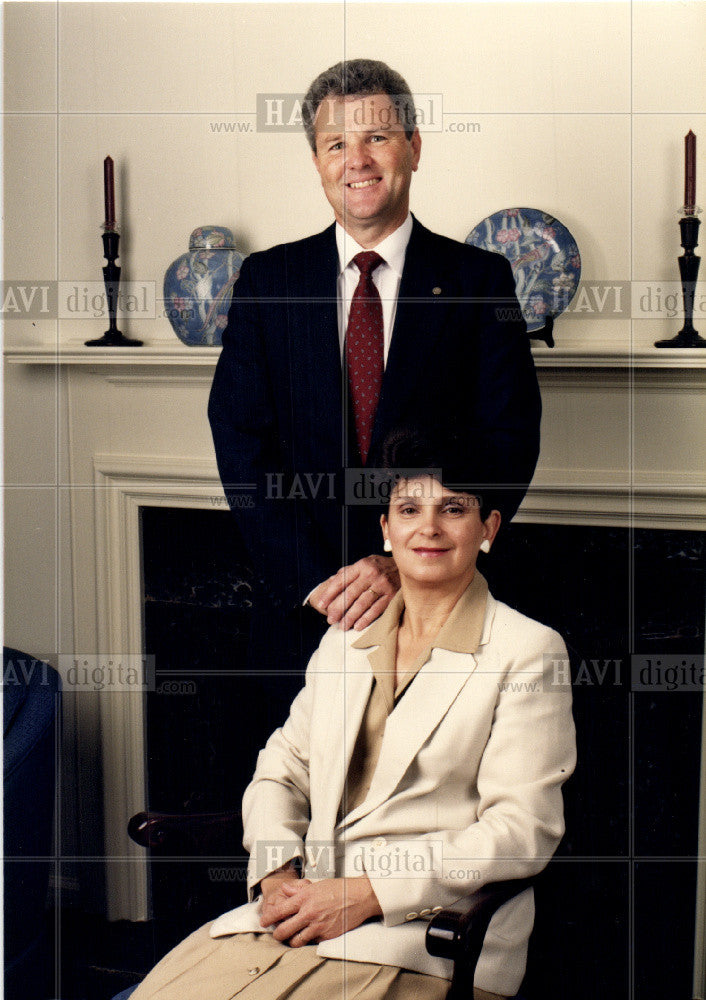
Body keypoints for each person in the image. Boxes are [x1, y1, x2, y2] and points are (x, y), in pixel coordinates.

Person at [130, 428, 576, 1000]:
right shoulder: (344, 642)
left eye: (454, 509)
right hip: (296, 916)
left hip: (421, 939)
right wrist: (275, 874)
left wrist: (367, 892)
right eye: (409, 508)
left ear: (487, 529)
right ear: (386, 530)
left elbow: (521, 833)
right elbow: (280, 772)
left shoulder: (529, 651)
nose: (430, 528)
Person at [208, 59, 541, 682]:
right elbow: (240, 444)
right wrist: (318, 581)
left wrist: (404, 560)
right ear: (317, 160)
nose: (356, 160)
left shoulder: (479, 280)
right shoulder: (267, 282)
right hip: (302, 614)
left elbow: (508, 439)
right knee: (296, 780)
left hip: (437, 611)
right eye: (337, 144)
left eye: (377, 138)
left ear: (413, 148)